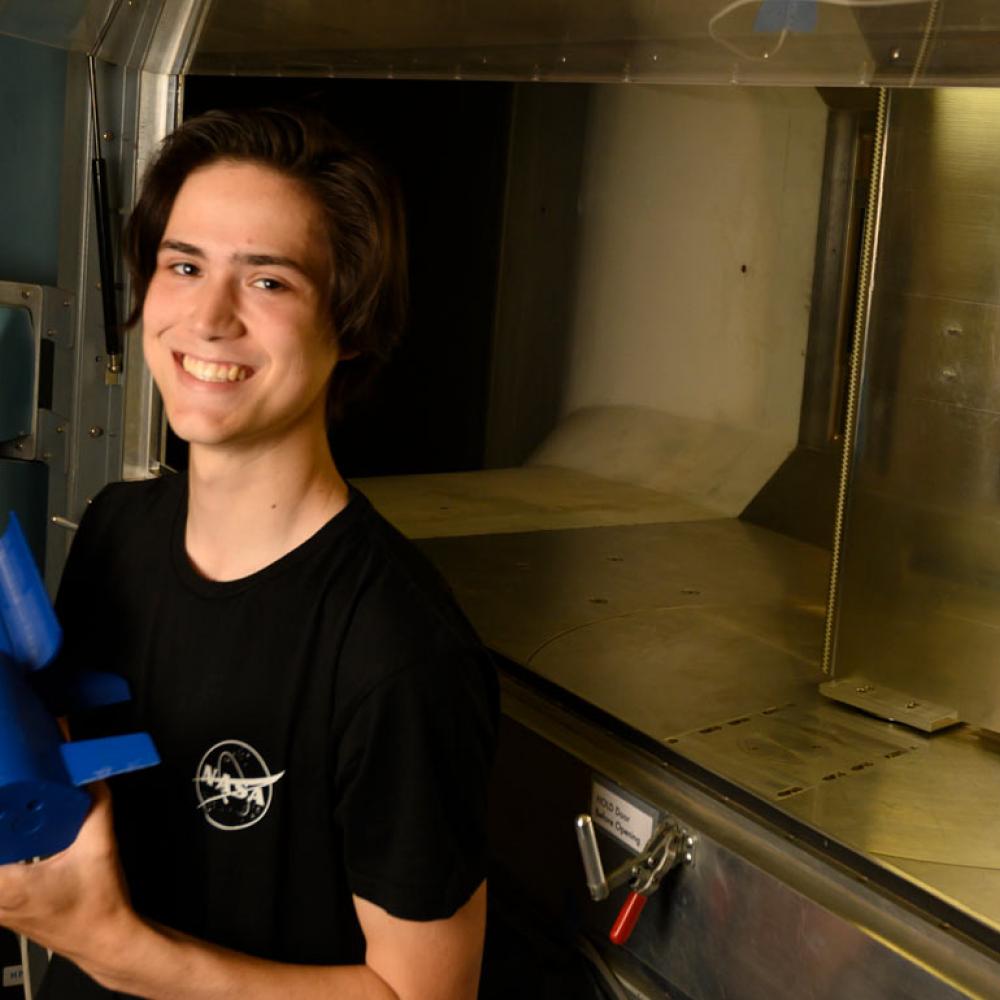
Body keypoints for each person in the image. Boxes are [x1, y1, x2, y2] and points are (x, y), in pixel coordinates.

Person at [0, 107, 498, 998]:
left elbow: (425, 996)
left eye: (268, 283)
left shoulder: (399, 654)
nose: (208, 316)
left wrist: (115, 949)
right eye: (183, 266)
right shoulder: (116, 529)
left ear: (349, 326)